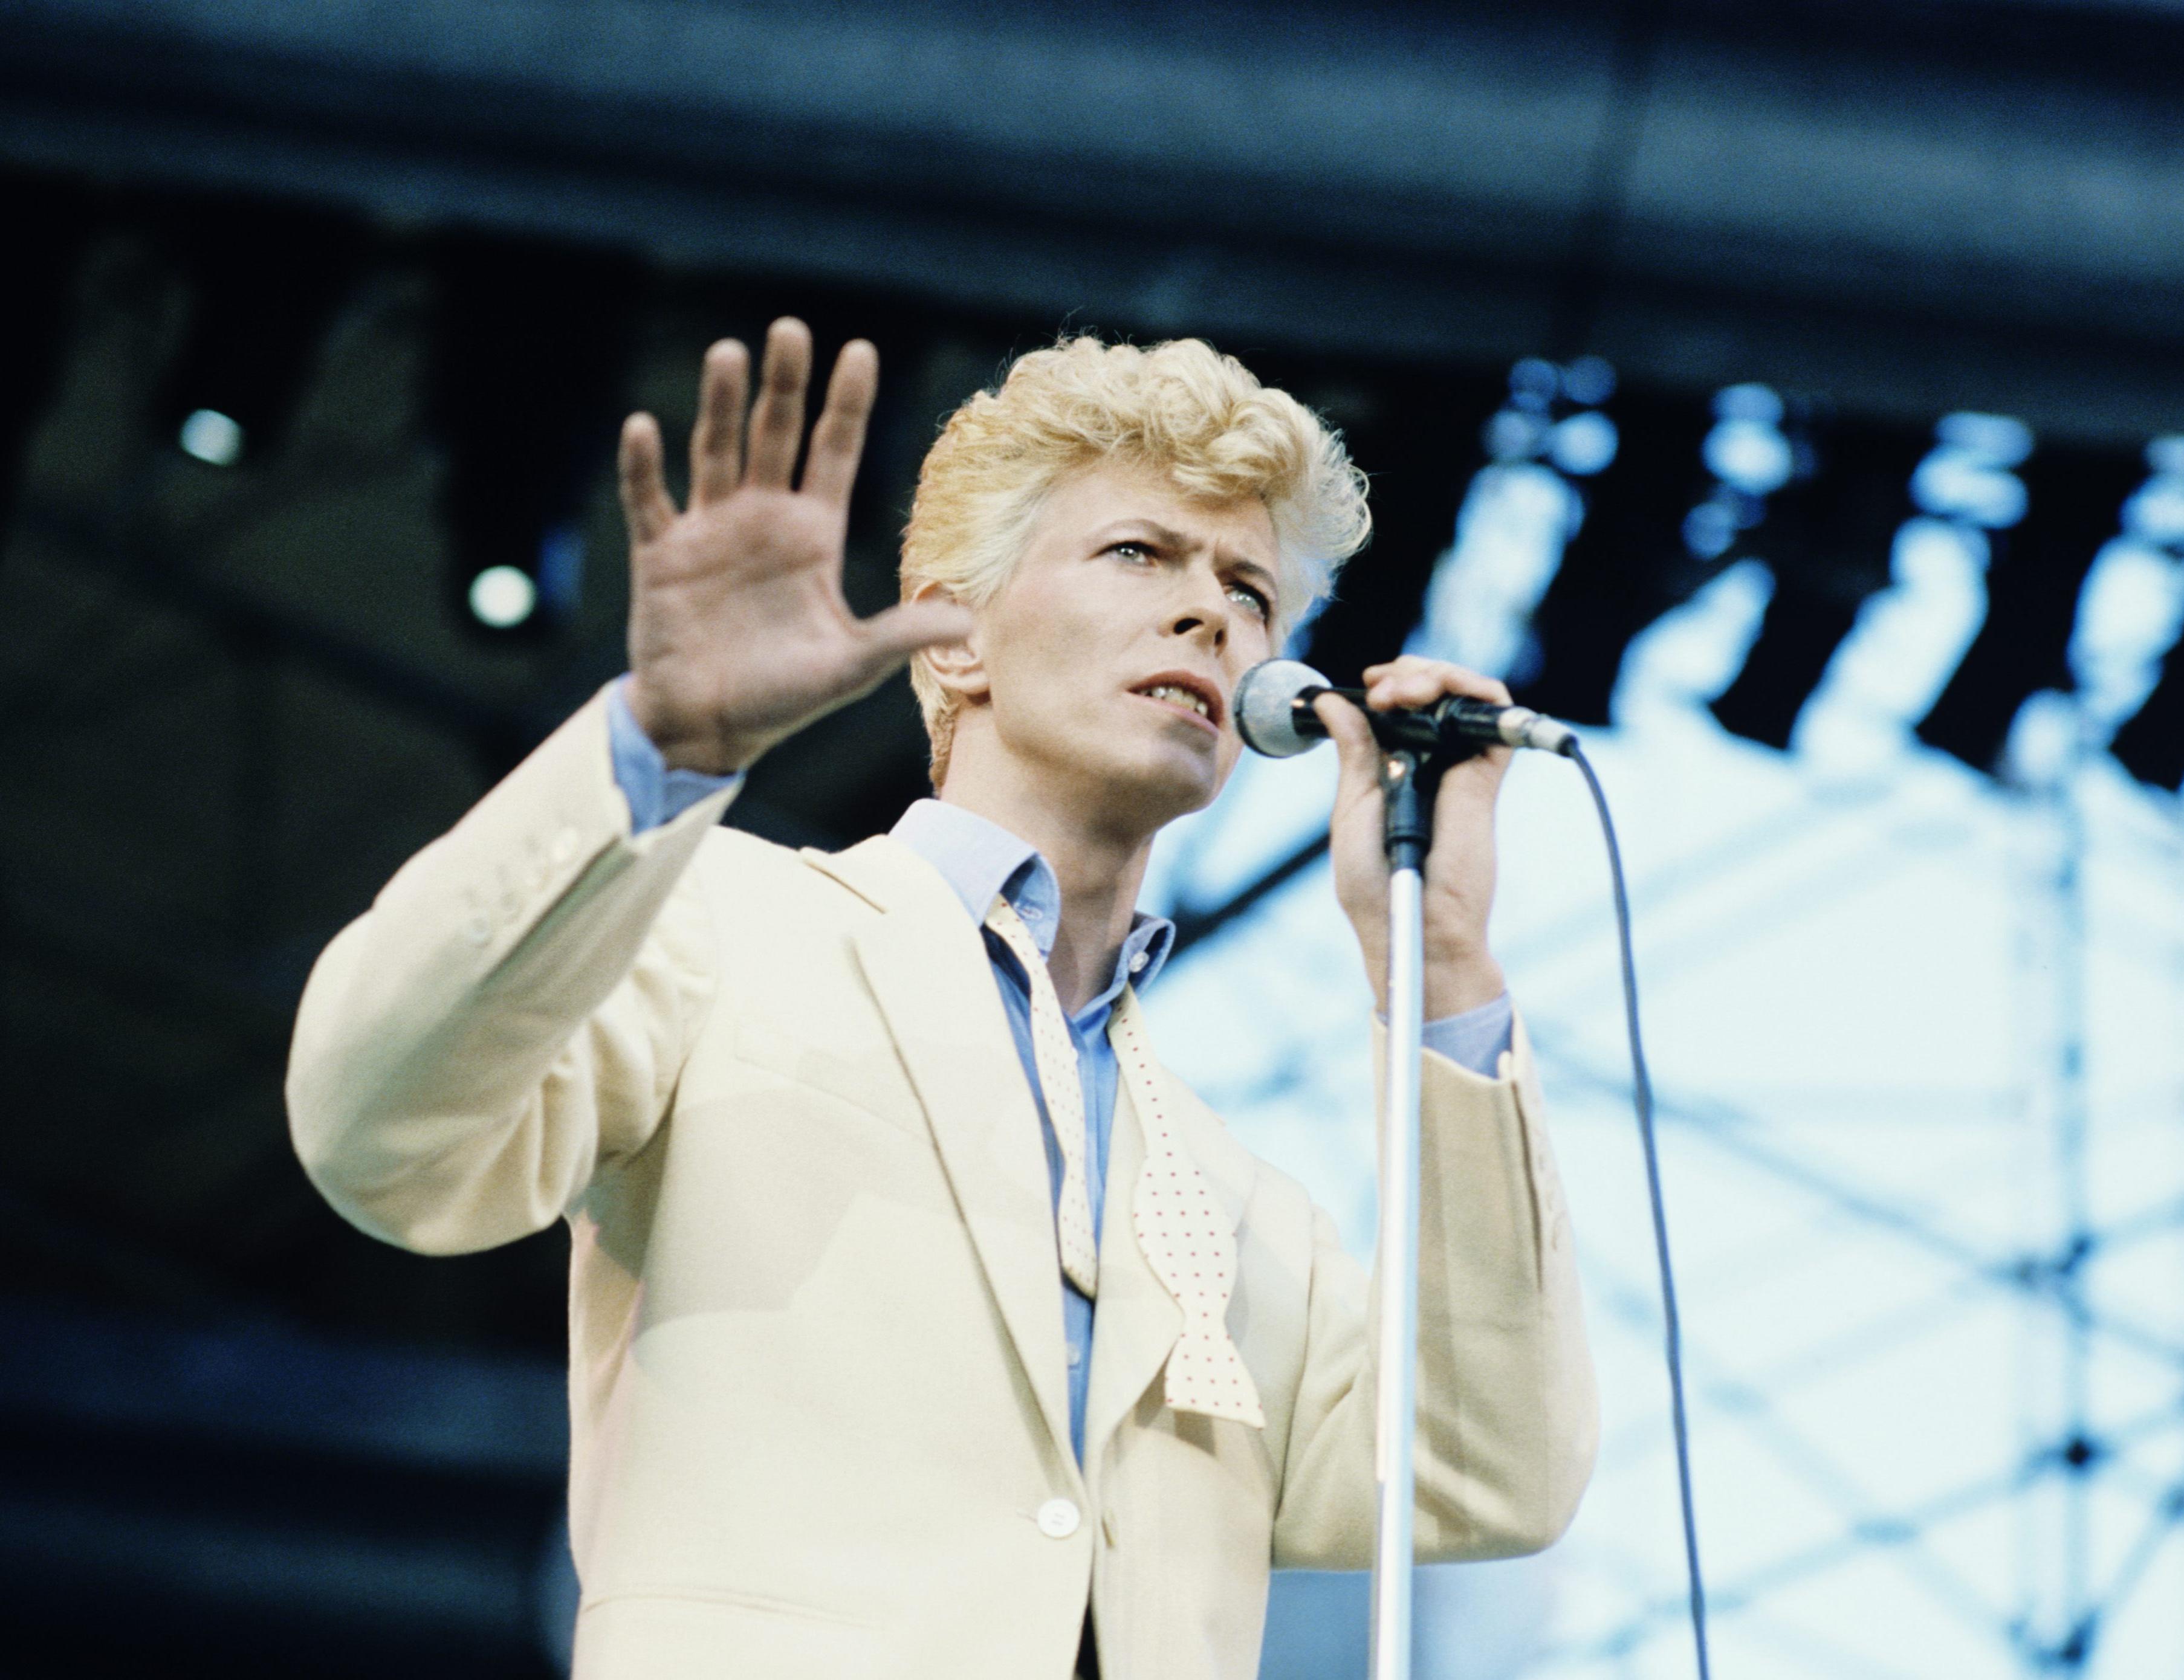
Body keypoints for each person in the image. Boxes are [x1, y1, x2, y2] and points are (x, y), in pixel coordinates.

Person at [287, 322, 1599, 1679]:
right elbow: (381, 1129)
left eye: (1252, 592)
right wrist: (661, 750)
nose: (1213, 612)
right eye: (1140, 553)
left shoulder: (1241, 1205)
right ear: (959, 634)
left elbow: (1484, 1465)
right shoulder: (721, 922)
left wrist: (1440, 963)